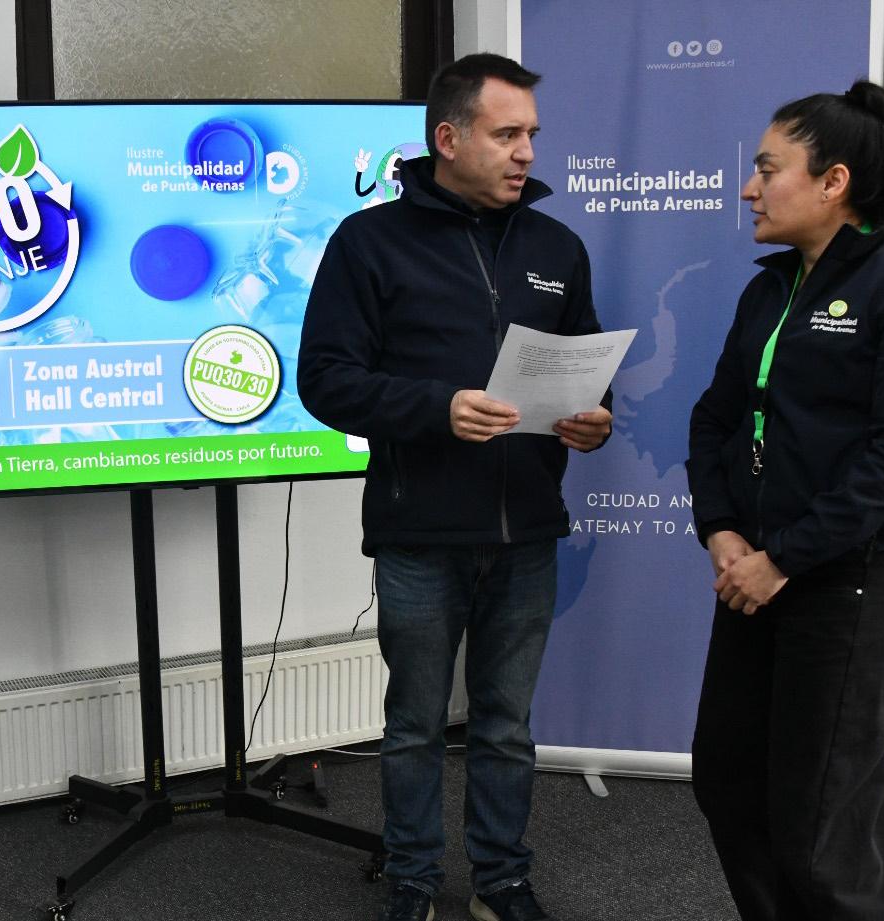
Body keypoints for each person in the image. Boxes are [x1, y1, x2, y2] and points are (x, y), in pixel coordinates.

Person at [299, 53, 612, 921]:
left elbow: (586, 366)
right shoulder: (368, 243)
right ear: (448, 137)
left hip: (528, 532)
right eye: (506, 134)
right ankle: (412, 880)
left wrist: (597, 416)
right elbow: (325, 379)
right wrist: (436, 409)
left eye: (531, 135)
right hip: (420, 533)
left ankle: (501, 881)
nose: (526, 153)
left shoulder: (558, 247)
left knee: (506, 725)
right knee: (414, 726)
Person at [686, 80, 884, 921]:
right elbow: (715, 418)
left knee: (821, 821)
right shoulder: (769, 290)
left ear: (833, 182)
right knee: (730, 780)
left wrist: (782, 558)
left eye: (767, 168)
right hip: (753, 573)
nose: (749, 187)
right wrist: (722, 530)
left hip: (844, 581)